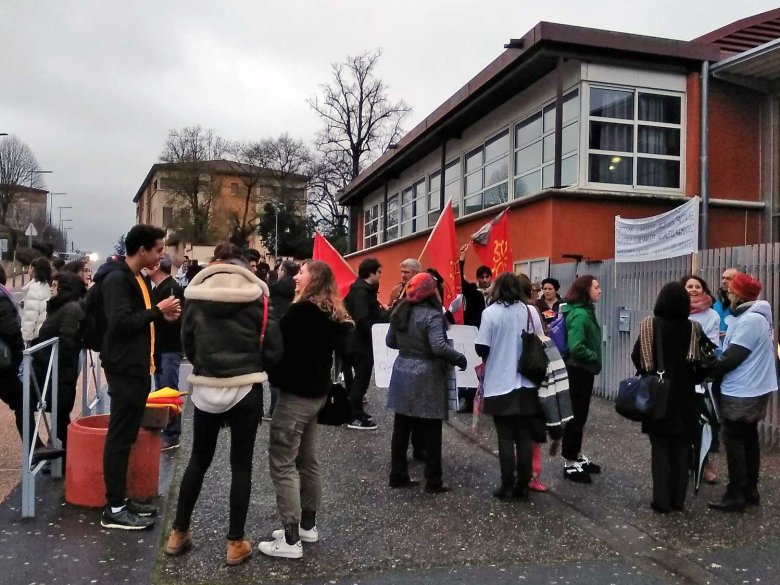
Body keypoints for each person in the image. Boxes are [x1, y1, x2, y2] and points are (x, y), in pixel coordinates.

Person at [165, 242, 274, 565]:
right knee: (241, 465)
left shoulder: (195, 297)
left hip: (206, 387)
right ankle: (235, 542)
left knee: (198, 459)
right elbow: (274, 346)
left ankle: (178, 533)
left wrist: (205, 366)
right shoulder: (258, 298)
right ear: (244, 265)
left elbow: (188, 344)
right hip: (245, 387)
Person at [259, 260, 353, 560]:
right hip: (318, 396)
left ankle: (290, 538)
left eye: (301, 273)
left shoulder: (299, 313)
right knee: (308, 461)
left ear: (313, 281)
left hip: (295, 397)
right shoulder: (331, 313)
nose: (295, 277)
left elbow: (278, 349)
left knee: (283, 463)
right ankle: (307, 526)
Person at [97, 224, 180, 531]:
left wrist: (160, 314)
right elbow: (121, 322)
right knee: (119, 438)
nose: (162, 255)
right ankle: (114, 508)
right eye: (158, 249)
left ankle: (121, 500)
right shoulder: (118, 279)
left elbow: (140, 317)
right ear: (142, 250)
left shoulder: (135, 278)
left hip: (135, 368)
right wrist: (158, 310)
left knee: (126, 436)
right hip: (124, 368)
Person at [386, 273, 467, 494]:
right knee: (432, 428)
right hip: (427, 374)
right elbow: (439, 346)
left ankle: (398, 474)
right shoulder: (432, 316)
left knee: (401, 426)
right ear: (432, 292)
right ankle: (433, 480)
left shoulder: (400, 311)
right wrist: (460, 358)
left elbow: (389, 341)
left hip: (402, 370)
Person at [631, 282, 707, 513]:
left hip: (658, 394)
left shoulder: (649, 325)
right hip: (685, 396)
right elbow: (700, 365)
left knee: (660, 448)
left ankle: (661, 501)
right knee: (683, 448)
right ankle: (678, 500)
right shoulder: (693, 328)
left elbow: (638, 359)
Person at [708, 274, 778, 512]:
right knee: (749, 439)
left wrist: (709, 368)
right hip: (756, 388)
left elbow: (732, 358)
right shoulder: (757, 318)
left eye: (731, 292)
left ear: (738, 295)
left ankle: (736, 492)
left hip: (742, 389)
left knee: (735, 441)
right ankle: (750, 489)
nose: (728, 295)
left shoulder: (749, 321)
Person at [476, 273, 545, 500]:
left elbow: (482, 348)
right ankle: (523, 485)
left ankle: (506, 484)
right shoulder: (530, 311)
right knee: (524, 436)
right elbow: (541, 340)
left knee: (504, 436)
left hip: (499, 381)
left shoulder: (490, 313)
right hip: (526, 381)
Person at [31, 272, 86, 464]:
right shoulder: (63, 307)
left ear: (63, 288)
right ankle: (63, 459)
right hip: (54, 370)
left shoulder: (70, 309)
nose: (51, 289)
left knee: (59, 413)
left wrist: (41, 350)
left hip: (58, 372)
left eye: (54, 285)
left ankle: (63, 459)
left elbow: (66, 342)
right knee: (60, 415)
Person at [560, 275, 603, 483]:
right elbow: (576, 347)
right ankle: (570, 461)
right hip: (578, 370)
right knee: (576, 417)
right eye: (595, 287)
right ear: (585, 290)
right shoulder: (579, 314)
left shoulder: (585, 312)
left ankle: (576, 455)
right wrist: (593, 356)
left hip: (583, 370)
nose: (599, 290)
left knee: (580, 415)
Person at [343, 258, 388, 430]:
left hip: (358, 342)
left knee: (361, 380)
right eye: (378, 272)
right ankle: (354, 416)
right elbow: (362, 319)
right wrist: (374, 336)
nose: (380, 275)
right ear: (371, 273)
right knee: (360, 380)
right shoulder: (362, 292)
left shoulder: (363, 290)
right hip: (360, 344)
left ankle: (358, 412)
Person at [148, 254, 185, 451]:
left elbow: (176, 318)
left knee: (168, 390)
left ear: (159, 266)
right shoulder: (159, 288)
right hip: (161, 348)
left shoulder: (171, 288)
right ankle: (165, 429)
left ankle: (172, 434)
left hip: (169, 347)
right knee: (162, 390)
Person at [266, 259, 299, 419]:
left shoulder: (274, 288)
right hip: (292, 332)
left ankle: (274, 410)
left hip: (276, 331)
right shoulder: (299, 288)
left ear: (284, 271)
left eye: (279, 269)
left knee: (275, 373)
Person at [0, 266, 25, 443]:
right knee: (22, 402)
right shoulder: (2, 297)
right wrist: (21, 354)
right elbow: (11, 330)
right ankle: (33, 449)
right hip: (4, 362)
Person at [681, 275, 720, 348]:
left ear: (703, 290)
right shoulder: (674, 310)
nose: (694, 289)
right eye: (690, 287)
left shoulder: (712, 314)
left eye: (698, 287)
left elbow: (712, 343)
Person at [458, 243, 491, 328]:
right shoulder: (472, 291)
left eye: (487, 277)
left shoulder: (497, 293)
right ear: (477, 278)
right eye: (482, 277)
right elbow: (458, 277)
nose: (484, 280)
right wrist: (463, 256)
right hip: (474, 330)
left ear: (491, 277)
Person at [21, 257, 52, 344]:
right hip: (43, 333)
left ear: (34, 269)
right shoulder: (47, 286)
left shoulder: (35, 288)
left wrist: (26, 337)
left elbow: (30, 316)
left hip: (35, 337)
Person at [713, 267, 741, 341]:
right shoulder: (716, 304)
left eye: (728, 278)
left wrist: (730, 334)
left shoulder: (743, 304)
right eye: (723, 278)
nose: (724, 281)